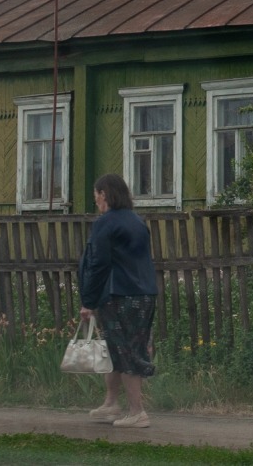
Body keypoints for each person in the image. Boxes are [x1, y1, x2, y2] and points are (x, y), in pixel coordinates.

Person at [78, 173, 158, 428]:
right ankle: (111, 404)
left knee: (126, 351)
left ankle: (137, 412)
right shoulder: (137, 221)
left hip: (119, 296)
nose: (96, 201)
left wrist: (88, 301)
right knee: (116, 349)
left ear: (104, 194)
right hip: (144, 293)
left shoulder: (106, 223)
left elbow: (98, 264)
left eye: (96, 196)